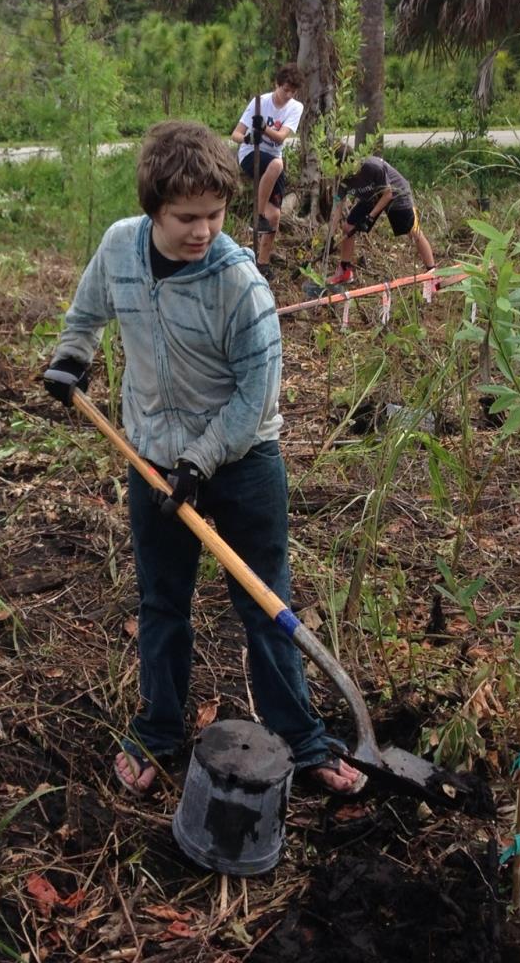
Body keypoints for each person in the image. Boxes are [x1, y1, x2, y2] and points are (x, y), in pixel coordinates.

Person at [41, 119, 364, 798]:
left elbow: (257, 392)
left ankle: (303, 742)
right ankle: (160, 731)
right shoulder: (119, 249)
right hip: (153, 459)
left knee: (263, 598)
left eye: (216, 215)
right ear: (153, 207)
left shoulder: (240, 283)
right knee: (162, 604)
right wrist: (72, 360)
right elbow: (86, 314)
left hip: (241, 461)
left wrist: (203, 461)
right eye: (187, 217)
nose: (203, 230)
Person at [326, 144, 435, 285]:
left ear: (351, 162)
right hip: (371, 198)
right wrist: (330, 237)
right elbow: (338, 206)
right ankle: (345, 271)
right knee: (348, 227)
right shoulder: (341, 178)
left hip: (396, 193)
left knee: (412, 230)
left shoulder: (372, 167)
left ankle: (432, 272)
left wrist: (370, 217)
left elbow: (387, 194)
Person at [231, 63, 304, 268]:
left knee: (276, 216)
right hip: (250, 155)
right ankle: (258, 214)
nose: (289, 95)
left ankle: (262, 263)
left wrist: (263, 128)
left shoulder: (296, 107)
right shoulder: (260, 102)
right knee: (277, 165)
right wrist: (248, 138)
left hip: (273, 159)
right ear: (276, 84)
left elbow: (280, 138)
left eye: (293, 91)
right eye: (285, 89)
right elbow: (235, 134)